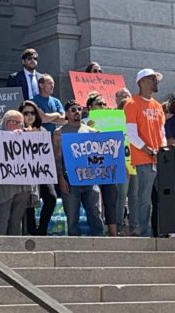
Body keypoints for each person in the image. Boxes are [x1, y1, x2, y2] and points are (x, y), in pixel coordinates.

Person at [124, 68, 166, 238]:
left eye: (156, 79)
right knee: (144, 199)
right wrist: (149, 150)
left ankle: (159, 230)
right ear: (141, 82)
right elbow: (131, 134)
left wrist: (161, 150)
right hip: (143, 158)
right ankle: (144, 232)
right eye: (152, 79)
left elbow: (162, 132)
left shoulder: (158, 106)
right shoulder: (132, 104)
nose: (156, 82)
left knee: (161, 199)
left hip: (158, 158)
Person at [53, 100, 104, 236]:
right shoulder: (59, 133)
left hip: (90, 178)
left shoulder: (92, 131)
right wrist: (61, 179)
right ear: (67, 114)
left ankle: (99, 242)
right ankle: (74, 246)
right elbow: (57, 158)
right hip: (70, 179)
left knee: (95, 212)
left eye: (79, 109)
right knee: (72, 216)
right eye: (73, 110)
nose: (77, 112)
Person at [0, 111, 34, 235]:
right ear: (6, 123)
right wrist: (11, 137)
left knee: (16, 219)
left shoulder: (26, 135)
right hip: (4, 185)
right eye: (15, 122)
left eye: (21, 123)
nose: (19, 126)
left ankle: (15, 248)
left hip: (23, 184)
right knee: (3, 216)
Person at [20, 101, 57, 236]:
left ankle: (42, 228)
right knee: (28, 201)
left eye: (33, 113)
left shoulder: (43, 130)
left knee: (51, 197)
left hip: (42, 170)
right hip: (24, 171)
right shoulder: (17, 131)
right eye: (26, 113)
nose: (30, 116)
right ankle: (31, 229)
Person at [86, 93, 117, 236]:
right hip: (90, 167)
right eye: (99, 103)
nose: (103, 106)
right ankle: (98, 232)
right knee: (94, 202)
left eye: (105, 104)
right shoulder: (84, 123)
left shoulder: (114, 122)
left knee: (111, 198)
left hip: (109, 166)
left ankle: (113, 233)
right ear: (90, 107)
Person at [114, 87, 138, 235]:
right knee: (121, 195)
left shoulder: (137, 119)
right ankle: (118, 225)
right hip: (120, 163)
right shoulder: (112, 120)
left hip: (136, 162)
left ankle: (134, 225)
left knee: (134, 196)